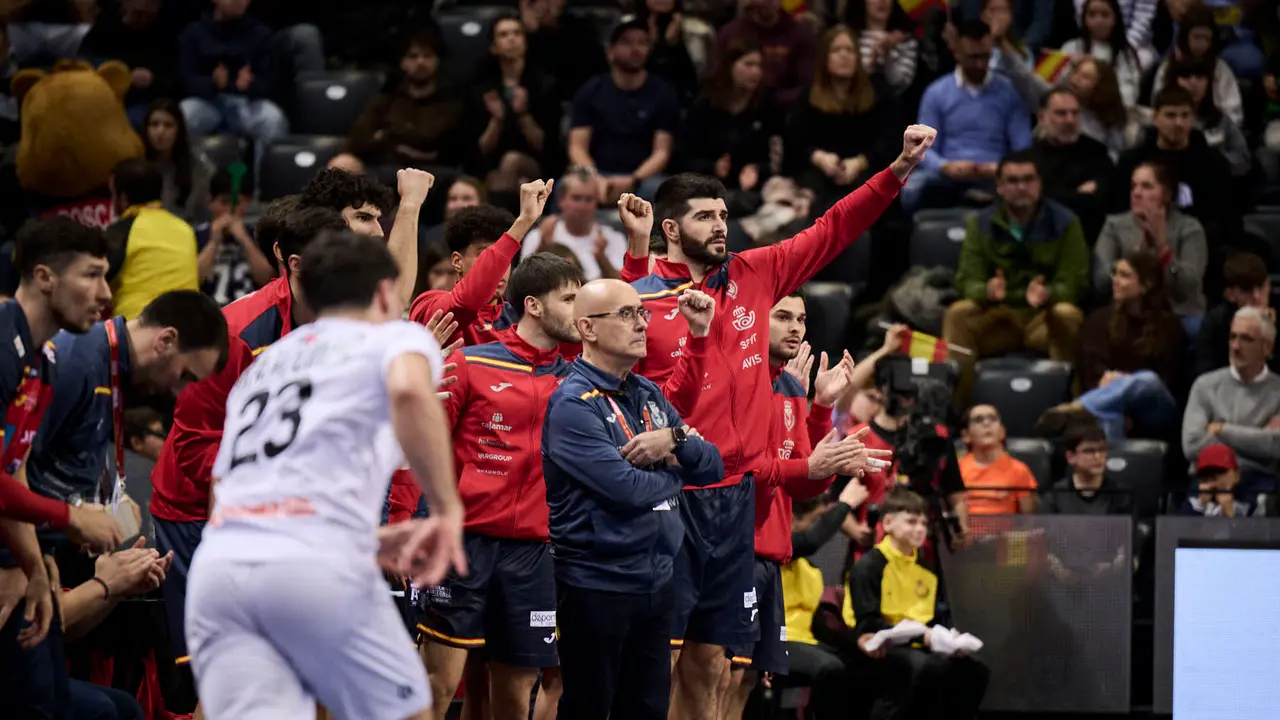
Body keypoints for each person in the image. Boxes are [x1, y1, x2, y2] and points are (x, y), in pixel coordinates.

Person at [621, 124, 935, 719]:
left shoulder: (753, 274)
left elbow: (833, 228)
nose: (720, 225)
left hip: (737, 499)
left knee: (714, 665)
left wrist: (897, 169)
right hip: (671, 496)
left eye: (722, 214)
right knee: (658, 659)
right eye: (705, 217)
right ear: (670, 228)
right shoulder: (640, 302)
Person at [149, 168, 435, 713]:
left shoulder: (350, 318)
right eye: (361, 224)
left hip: (290, 524)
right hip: (199, 516)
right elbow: (193, 444)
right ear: (300, 257)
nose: (374, 238)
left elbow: (394, 310)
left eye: (378, 226)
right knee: (215, 691)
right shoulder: (238, 329)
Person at [185, 230, 465, 720]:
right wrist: (445, 509)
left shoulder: (266, 367)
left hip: (220, 565)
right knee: (407, 712)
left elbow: (230, 484)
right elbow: (409, 393)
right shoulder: (392, 334)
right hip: (308, 561)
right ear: (385, 292)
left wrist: (358, 537)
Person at [542, 278, 725, 720]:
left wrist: (676, 438)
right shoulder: (572, 403)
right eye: (626, 314)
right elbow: (627, 490)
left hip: (657, 581)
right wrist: (676, 474)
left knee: (646, 709)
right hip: (596, 584)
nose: (643, 324)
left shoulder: (647, 392)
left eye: (641, 313)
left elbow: (713, 466)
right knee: (591, 707)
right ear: (587, 328)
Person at [417, 253, 584, 720]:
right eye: (569, 299)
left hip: (535, 555)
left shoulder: (576, 380)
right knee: (437, 686)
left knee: (515, 696)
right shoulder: (469, 363)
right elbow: (420, 447)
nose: (580, 310)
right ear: (533, 304)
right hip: (462, 545)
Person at [722, 291, 890, 719]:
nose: (797, 327)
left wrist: (821, 408)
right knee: (715, 677)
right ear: (752, 320)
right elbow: (744, 468)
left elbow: (804, 485)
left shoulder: (789, 388)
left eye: (801, 318)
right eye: (783, 316)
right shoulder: (734, 382)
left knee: (742, 681)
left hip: (769, 556)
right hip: (731, 552)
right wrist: (810, 466)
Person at [0, 217, 127, 718]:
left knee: (51, 690)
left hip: (12, 557)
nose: (106, 293)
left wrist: (31, 565)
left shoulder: (43, 362)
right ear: (44, 276)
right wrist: (70, 517)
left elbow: (14, 470)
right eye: (92, 275)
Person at [26, 291, 229, 535]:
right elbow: (12, 471)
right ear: (165, 340)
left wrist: (101, 501)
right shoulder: (77, 362)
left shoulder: (111, 369)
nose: (178, 392)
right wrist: (73, 515)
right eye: (184, 375)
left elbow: (63, 458)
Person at [850, 488, 989, 720]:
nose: (920, 529)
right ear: (888, 522)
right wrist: (917, 636)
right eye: (912, 522)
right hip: (880, 647)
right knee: (926, 668)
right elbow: (867, 625)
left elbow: (938, 616)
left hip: (923, 644)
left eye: (924, 523)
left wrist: (951, 638)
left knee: (975, 670)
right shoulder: (869, 566)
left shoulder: (928, 568)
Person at [408, 181, 554, 348]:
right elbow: (465, 302)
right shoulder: (427, 305)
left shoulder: (524, 317)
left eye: (505, 258)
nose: (499, 268)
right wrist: (523, 222)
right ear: (457, 261)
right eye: (485, 255)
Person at [1182, 307, 1280, 499]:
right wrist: (1258, 440)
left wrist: (1222, 430)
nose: (1235, 346)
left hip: (1259, 482)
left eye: (1246, 339)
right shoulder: (1205, 385)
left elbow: (1276, 447)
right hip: (1207, 480)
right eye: (1233, 337)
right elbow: (1192, 446)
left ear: (1266, 348)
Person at [105, 158, 200, 320]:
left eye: (112, 194)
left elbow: (96, 276)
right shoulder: (185, 228)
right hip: (188, 328)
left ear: (123, 199)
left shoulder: (121, 231)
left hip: (138, 330)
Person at [196, 168, 275, 306]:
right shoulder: (196, 235)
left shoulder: (258, 235)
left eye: (237, 203)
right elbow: (193, 279)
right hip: (208, 313)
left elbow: (267, 279)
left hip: (249, 312)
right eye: (224, 202)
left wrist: (244, 239)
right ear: (211, 202)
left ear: (247, 203)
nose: (230, 210)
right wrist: (213, 243)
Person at [958, 404, 1038, 515]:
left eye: (993, 419)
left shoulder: (1019, 470)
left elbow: (1029, 521)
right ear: (966, 435)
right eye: (978, 420)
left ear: (1002, 432)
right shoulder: (957, 469)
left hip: (1007, 532)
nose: (987, 424)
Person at [1039, 424, 1133, 516]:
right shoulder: (1055, 496)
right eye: (1089, 451)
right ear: (1071, 457)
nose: (1098, 456)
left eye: (1102, 450)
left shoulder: (1121, 495)